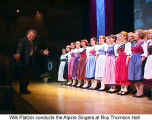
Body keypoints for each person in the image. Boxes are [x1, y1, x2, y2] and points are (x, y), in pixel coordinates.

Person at [14, 29, 49, 94]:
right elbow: (19, 48)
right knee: (23, 76)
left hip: (30, 61)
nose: (34, 37)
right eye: (33, 36)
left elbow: (37, 50)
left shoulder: (33, 42)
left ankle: (25, 89)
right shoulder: (23, 40)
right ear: (30, 34)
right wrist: (18, 53)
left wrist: (43, 52)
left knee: (27, 76)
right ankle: (22, 89)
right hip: (23, 61)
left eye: (34, 36)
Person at [129, 29, 147, 97]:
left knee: (139, 76)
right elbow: (132, 52)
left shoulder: (143, 43)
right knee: (134, 76)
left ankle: (141, 92)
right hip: (133, 59)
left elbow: (145, 54)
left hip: (139, 59)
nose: (134, 35)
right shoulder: (134, 43)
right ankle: (137, 91)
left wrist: (140, 61)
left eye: (136, 34)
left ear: (140, 35)